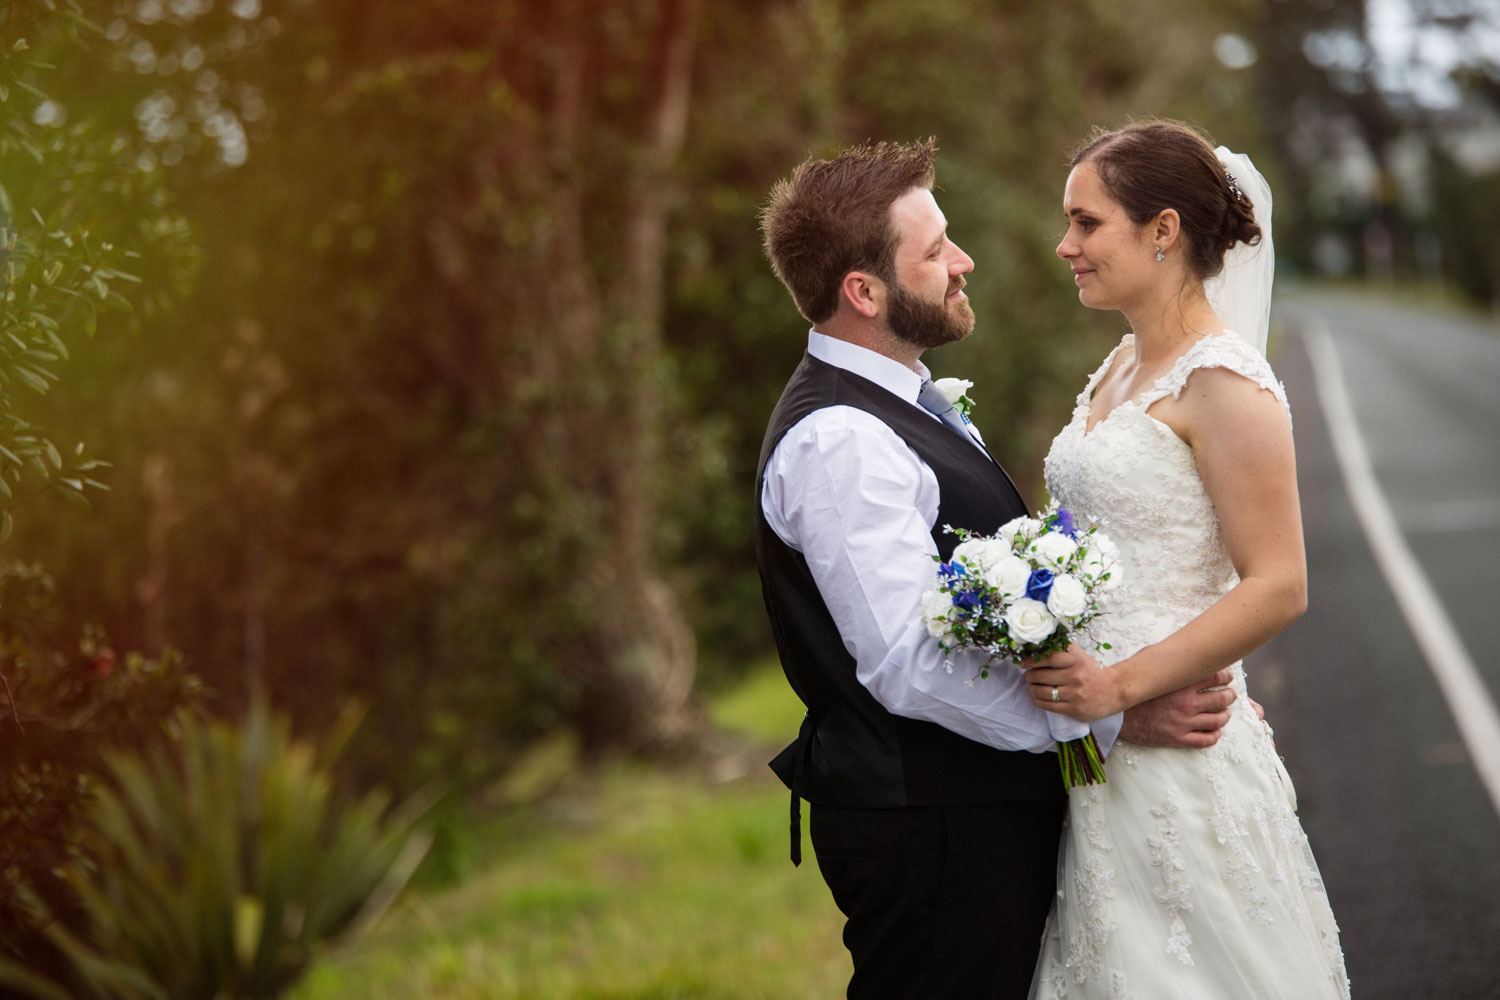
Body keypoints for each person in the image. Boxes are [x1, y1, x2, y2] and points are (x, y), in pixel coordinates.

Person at [753, 138, 1241, 999]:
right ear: (864, 293)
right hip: (930, 832)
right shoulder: (843, 440)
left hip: (965, 815)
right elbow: (908, 664)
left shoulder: (903, 400)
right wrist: (1108, 721)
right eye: (935, 251)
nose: (961, 260)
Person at [1022, 120, 1350, 998]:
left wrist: (1119, 688)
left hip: (1176, 742)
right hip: (1099, 754)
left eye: (1087, 223)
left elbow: (1280, 584)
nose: (1067, 246)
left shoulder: (1226, 384)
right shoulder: (1121, 366)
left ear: (1161, 230)